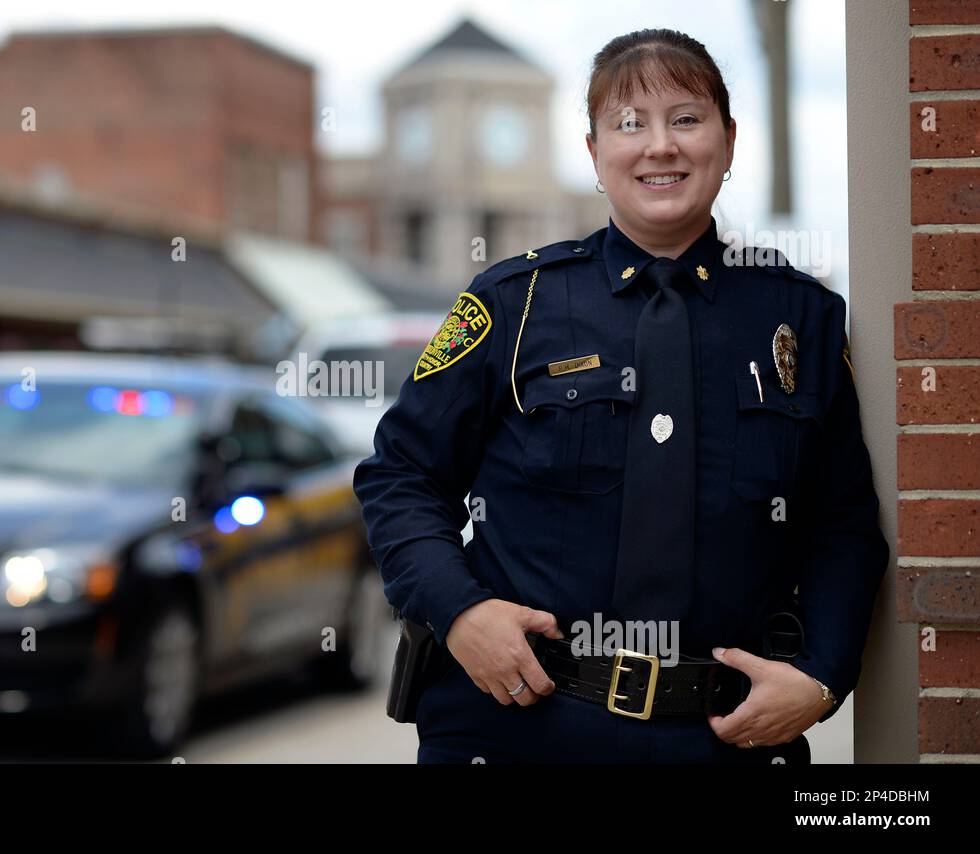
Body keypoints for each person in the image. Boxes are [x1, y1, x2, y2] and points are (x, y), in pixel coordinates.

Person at [353, 28, 889, 764]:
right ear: (595, 152)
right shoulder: (514, 304)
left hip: (723, 738)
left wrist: (822, 676)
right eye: (629, 124)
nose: (659, 146)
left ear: (727, 142)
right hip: (517, 727)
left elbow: (844, 525)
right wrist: (460, 611)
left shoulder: (800, 318)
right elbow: (402, 475)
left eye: (687, 119)